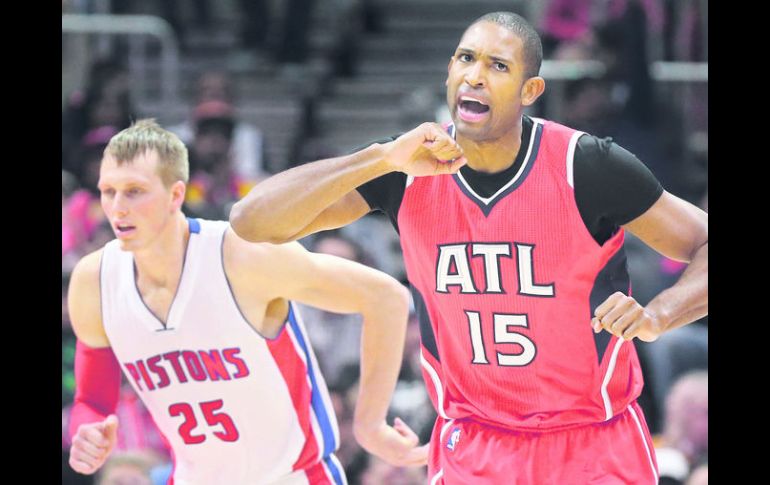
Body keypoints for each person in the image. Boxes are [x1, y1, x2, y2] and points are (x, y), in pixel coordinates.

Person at [229, 11, 708, 484]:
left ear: (529, 91)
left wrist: (660, 315)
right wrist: (377, 157)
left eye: (498, 66)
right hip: (474, 446)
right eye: (465, 59)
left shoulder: (586, 166)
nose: (475, 76)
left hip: (593, 445)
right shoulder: (406, 168)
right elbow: (253, 222)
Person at [66, 119, 428, 484]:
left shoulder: (239, 256)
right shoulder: (93, 281)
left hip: (291, 477)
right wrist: (90, 432)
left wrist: (370, 424)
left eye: (134, 192)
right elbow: (92, 402)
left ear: (176, 195)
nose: (117, 208)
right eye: (108, 191)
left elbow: (386, 296)